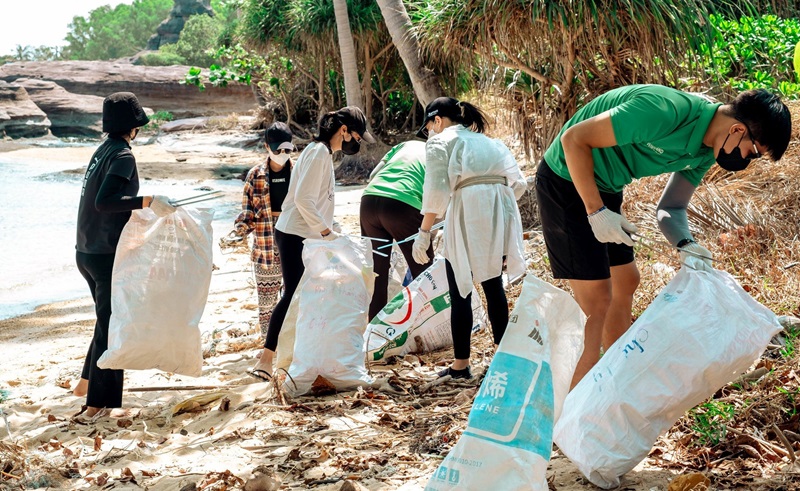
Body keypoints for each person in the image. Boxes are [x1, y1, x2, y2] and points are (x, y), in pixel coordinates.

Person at [534, 85, 792, 388]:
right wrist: (595, 212)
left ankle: (614, 382)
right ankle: (568, 409)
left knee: (626, 280)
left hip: (605, 186)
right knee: (596, 300)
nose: (747, 160)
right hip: (566, 179)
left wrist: (686, 244)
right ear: (737, 130)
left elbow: (671, 207)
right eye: (754, 152)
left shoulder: (705, 151)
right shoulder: (663, 111)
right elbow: (573, 139)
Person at [248, 106, 375, 381]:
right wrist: (326, 233)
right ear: (343, 131)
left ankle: (289, 357)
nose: (355, 142)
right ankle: (265, 360)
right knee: (292, 294)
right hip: (295, 234)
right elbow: (304, 200)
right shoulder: (318, 153)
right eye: (355, 135)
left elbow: (315, 200)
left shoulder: (320, 153)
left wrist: (333, 229)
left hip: (303, 233)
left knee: (302, 295)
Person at [73, 92, 176, 417]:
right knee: (112, 326)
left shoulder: (103, 151)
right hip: (105, 257)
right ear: (133, 126)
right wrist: (147, 201)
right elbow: (105, 202)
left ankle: (86, 383)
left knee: (105, 321)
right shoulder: (123, 156)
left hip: (86, 251)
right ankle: (96, 406)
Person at [412, 97, 527, 380]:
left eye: (428, 126)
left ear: (437, 120)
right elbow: (519, 183)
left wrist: (424, 232)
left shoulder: (441, 141)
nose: (429, 133)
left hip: (468, 211)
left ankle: (460, 365)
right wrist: (497, 207)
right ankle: (502, 358)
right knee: (493, 285)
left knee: (459, 287)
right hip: (499, 208)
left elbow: (436, 190)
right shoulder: (490, 142)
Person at [222, 122, 295, 340]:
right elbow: (247, 215)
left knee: (295, 298)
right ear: (266, 147)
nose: (282, 154)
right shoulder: (255, 175)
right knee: (267, 303)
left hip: (295, 243)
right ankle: (268, 344)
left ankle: (291, 344)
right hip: (265, 247)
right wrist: (238, 233)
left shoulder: (299, 171)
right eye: (277, 150)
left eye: (287, 150)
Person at [360, 140, 434, 320]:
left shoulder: (403, 145)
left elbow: (374, 173)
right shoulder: (437, 151)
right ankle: (422, 325)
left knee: (377, 272)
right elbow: (437, 194)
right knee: (425, 271)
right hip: (402, 204)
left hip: (369, 201)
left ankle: (374, 334)